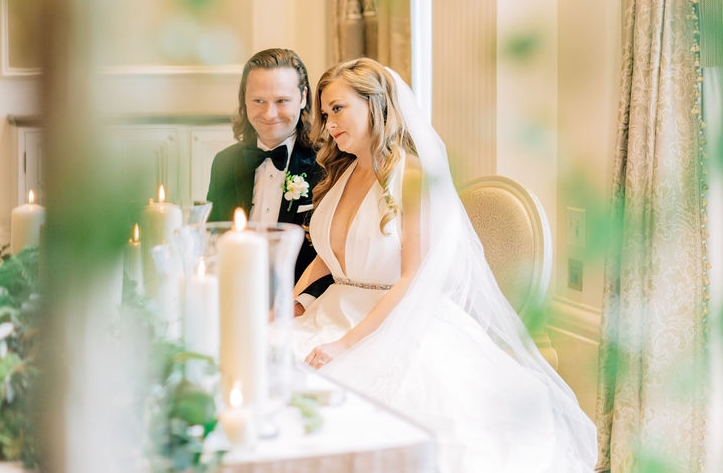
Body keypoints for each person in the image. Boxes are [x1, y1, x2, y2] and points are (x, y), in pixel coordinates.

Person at [291, 58, 596, 473]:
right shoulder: (344, 172)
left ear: (375, 104)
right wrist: (293, 301)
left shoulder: (411, 177)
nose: (329, 125)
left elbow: (412, 277)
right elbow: (327, 258)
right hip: (332, 312)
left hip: (396, 317)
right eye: (325, 114)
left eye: (338, 109)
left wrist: (347, 345)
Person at [207, 48, 332, 306]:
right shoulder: (224, 163)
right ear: (244, 99)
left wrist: (300, 303)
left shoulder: (328, 164)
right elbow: (213, 240)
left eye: (282, 101)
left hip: (299, 306)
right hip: (233, 299)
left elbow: (335, 255)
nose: (269, 114)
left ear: (303, 97)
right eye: (258, 101)